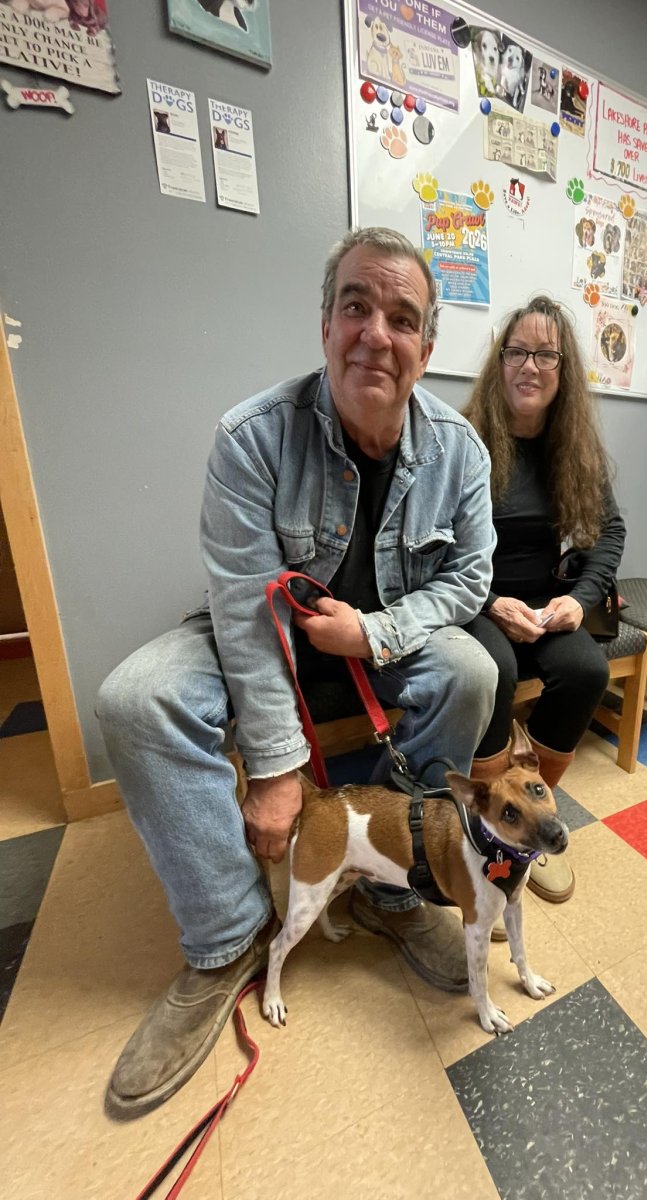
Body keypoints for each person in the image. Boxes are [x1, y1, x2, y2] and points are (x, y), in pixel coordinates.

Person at [96, 227, 498, 1119]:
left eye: (402, 318)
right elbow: (244, 609)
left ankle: (398, 881)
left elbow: (470, 578)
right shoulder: (251, 437)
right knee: (134, 699)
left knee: (470, 670)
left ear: (427, 346)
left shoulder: (462, 450)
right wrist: (277, 768)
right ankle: (227, 939)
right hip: (260, 636)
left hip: (374, 646)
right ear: (325, 324)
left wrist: (376, 632)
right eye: (356, 306)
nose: (376, 335)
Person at [462, 295, 625, 904]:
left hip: (544, 602)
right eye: (518, 352)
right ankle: (487, 830)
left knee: (587, 672)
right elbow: (431, 545)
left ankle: (529, 825)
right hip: (474, 597)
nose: (530, 366)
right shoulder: (463, 439)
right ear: (500, 361)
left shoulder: (573, 446)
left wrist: (580, 600)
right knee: (493, 670)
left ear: (564, 369)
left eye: (546, 355)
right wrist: (490, 602)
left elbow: (609, 531)